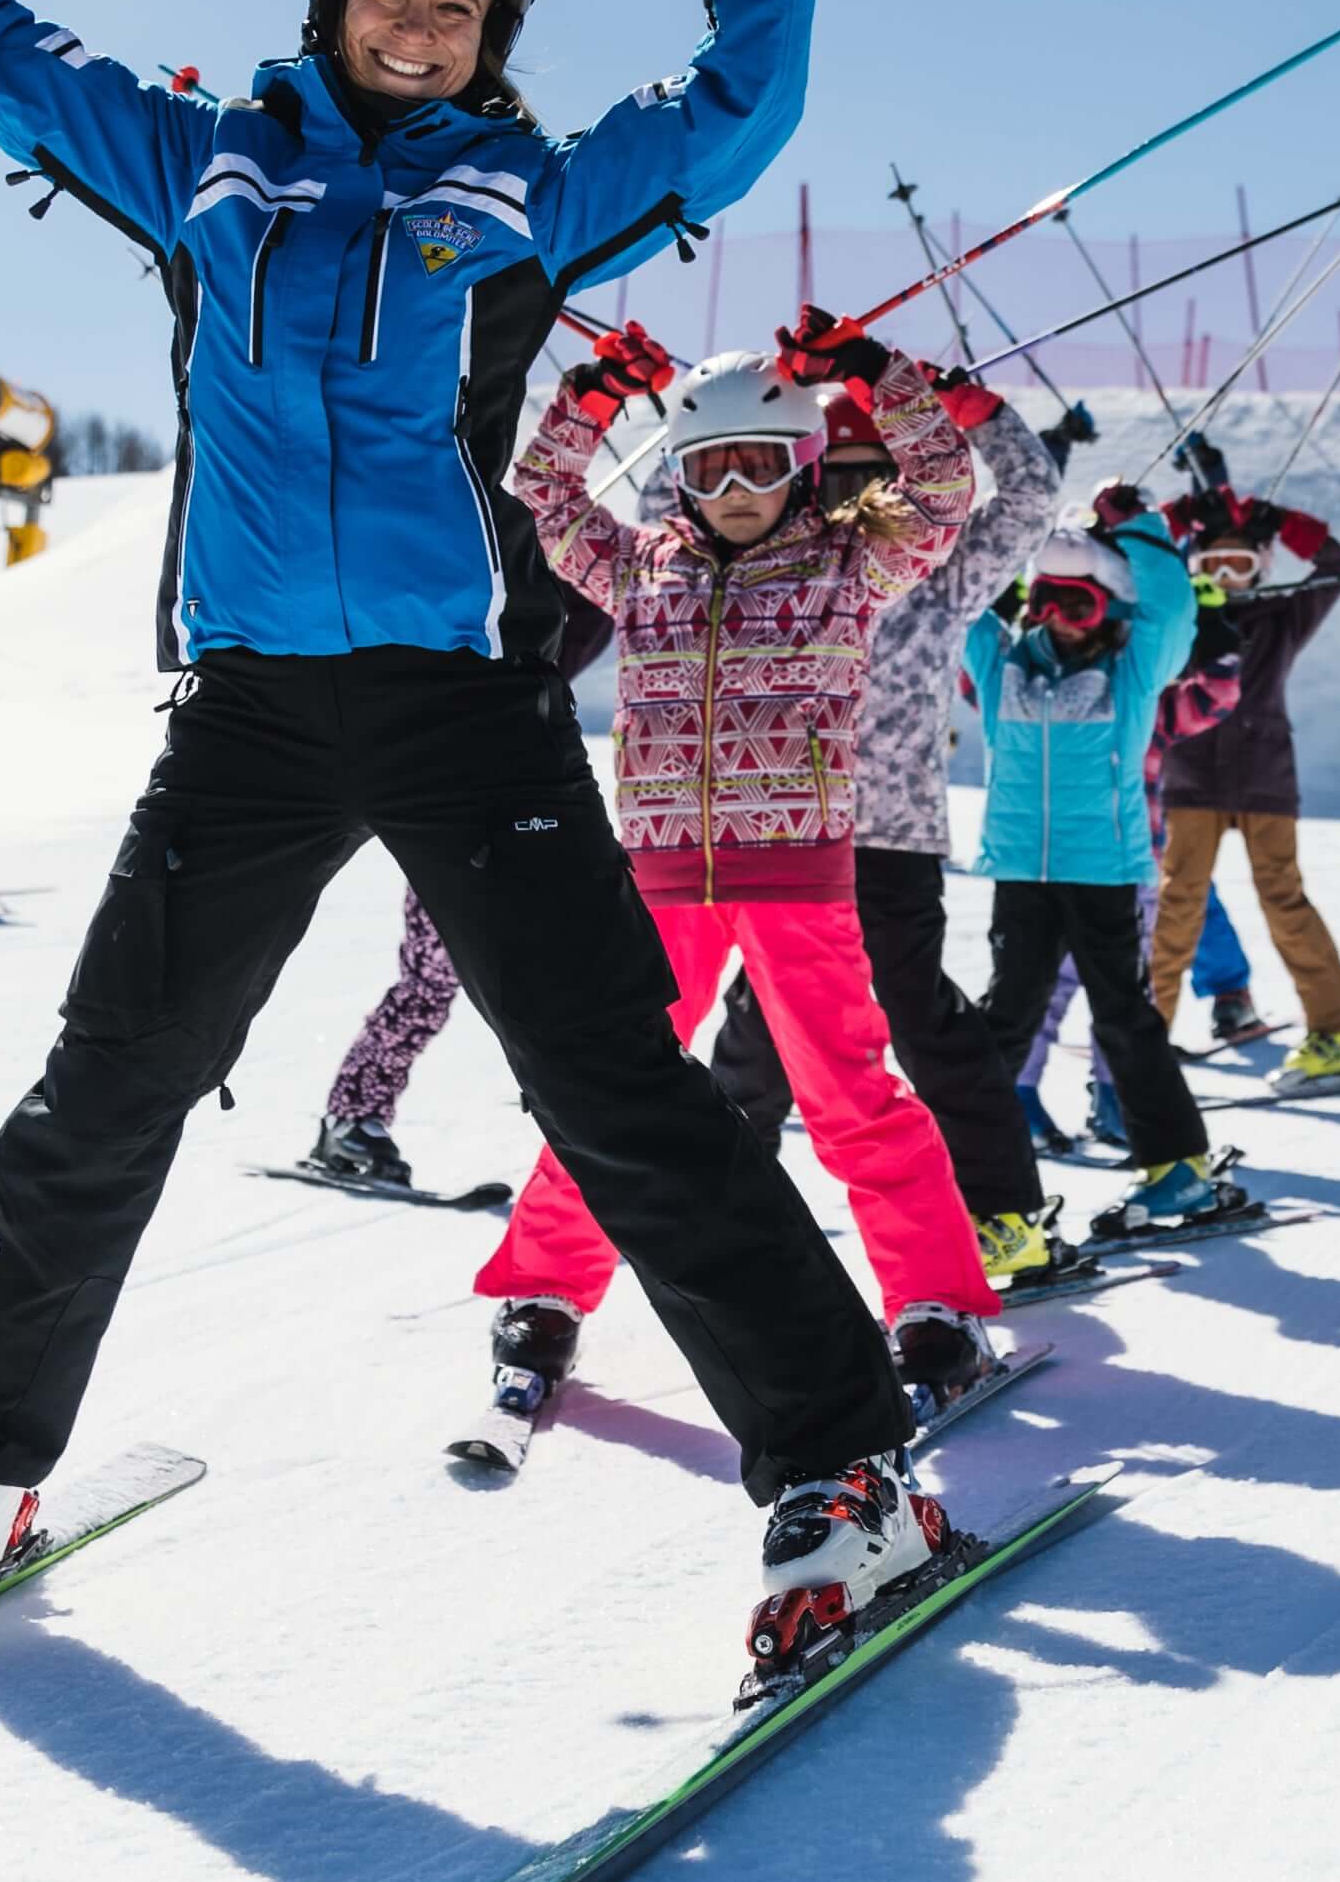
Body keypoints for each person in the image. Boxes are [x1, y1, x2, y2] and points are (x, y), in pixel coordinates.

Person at [0, 0, 949, 1709]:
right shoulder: (205, 164)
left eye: (460, 6)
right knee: (107, 1087)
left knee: (613, 1087)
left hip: (457, 700)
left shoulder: (519, 195)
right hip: (249, 710)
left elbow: (737, 98)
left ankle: (848, 1472)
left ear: (495, 22)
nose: (420, 32)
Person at [475, 326, 1001, 1433]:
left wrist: (873, 374)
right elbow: (540, 489)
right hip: (659, 883)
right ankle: (544, 1287)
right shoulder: (641, 566)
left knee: (850, 1095)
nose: (735, 488)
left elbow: (947, 484)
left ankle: (937, 1305)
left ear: (801, 461)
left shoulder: (849, 562)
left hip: (798, 879)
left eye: (759, 461)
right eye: (709, 466)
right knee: (611, 1090)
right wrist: (596, 393)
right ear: (678, 473)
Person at [698, 387, 1067, 1278]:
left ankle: (1005, 1217)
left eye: (880, 479)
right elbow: (674, 524)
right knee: (759, 1036)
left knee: (917, 1022)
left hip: (886, 841)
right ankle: (714, 1214)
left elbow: (1027, 497)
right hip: (785, 839)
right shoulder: (769, 565)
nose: (859, 503)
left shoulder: (939, 576)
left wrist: (958, 406)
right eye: (838, 480)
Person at [300, 588, 616, 1193]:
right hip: (447, 814)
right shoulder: (451, 589)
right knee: (433, 982)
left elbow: (588, 617)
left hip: (525, 814)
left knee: (551, 990)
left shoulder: (557, 614)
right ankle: (351, 1120)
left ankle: (592, 1142)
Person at [967, 524, 1235, 1236]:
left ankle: (1178, 1169)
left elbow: (1174, 610)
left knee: (1125, 1019)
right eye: (1045, 600)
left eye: (1076, 605)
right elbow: (954, 602)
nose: (1057, 619)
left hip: (1104, 873)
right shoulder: (1002, 667)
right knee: (1006, 1022)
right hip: (1021, 872)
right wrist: (999, 527)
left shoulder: (1135, 671)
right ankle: (982, 1189)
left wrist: (1139, 529)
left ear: (1110, 609)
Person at [1146, 464, 1340, 1083]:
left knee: (1283, 898)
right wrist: (1173, 517)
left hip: (1264, 780)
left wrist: (1280, 522)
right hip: (1191, 778)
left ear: (1263, 566)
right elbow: (1134, 565)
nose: (1226, 577)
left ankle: (1335, 1030)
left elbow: (1334, 565)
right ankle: (1144, 1037)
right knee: (1177, 904)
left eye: (1240, 564)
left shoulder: (1282, 617)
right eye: (1214, 563)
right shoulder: (1179, 617)